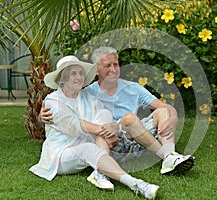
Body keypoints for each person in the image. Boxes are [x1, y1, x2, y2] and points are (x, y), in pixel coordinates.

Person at [40, 46, 195, 175]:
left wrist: (169, 117)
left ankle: (170, 157)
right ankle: (166, 156)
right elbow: (67, 111)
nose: (113, 69)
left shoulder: (133, 88)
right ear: (97, 70)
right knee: (129, 119)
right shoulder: (87, 93)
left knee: (164, 111)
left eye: (116, 64)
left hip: (139, 135)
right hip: (112, 141)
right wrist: (42, 116)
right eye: (108, 65)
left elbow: (164, 107)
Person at [30, 55, 159, 200]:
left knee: (104, 113)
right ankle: (136, 184)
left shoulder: (87, 97)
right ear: (63, 78)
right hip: (62, 153)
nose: (79, 77)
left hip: (88, 144)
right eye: (73, 73)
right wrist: (105, 131)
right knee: (89, 147)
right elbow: (74, 125)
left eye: (81, 73)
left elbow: (105, 119)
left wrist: (113, 129)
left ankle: (100, 173)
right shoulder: (53, 100)